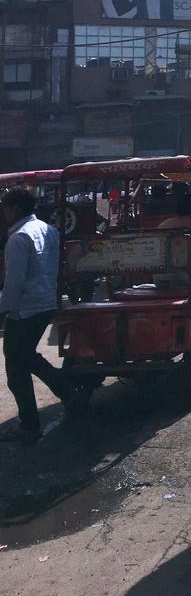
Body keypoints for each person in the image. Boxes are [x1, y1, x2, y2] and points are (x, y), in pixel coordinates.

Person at [0, 186, 75, 443]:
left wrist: (3, 311)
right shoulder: (48, 229)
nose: (4, 213)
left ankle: (30, 424)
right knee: (26, 357)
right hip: (45, 304)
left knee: (16, 367)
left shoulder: (19, 238)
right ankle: (67, 391)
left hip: (24, 309)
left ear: (15, 208)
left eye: (5, 208)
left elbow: (14, 284)